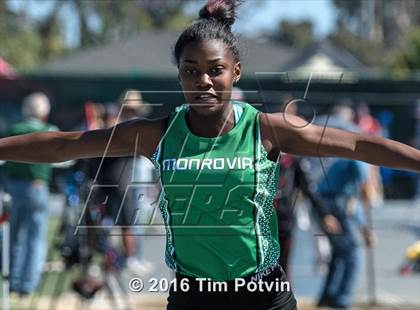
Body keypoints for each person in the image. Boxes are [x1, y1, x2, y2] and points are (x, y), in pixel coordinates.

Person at [0, 1, 419, 309]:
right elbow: (64, 145)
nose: (204, 80)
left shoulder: (266, 129)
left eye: (215, 69)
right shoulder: (157, 134)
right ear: (179, 74)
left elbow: (360, 145)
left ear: (234, 72)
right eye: (190, 70)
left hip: (262, 294)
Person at [3, 92, 58, 295]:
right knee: (36, 237)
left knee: (14, 235)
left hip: (13, 188)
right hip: (37, 187)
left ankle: (13, 281)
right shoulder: (49, 130)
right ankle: (28, 284)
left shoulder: (13, 130)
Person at [316, 158, 374, 309]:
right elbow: (355, 198)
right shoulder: (358, 161)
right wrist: (365, 183)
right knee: (352, 252)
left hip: (325, 202)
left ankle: (328, 295)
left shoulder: (341, 162)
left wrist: (364, 228)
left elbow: (353, 201)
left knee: (339, 253)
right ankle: (342, 299)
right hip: (334, 202)